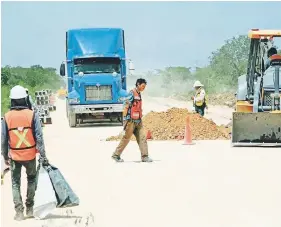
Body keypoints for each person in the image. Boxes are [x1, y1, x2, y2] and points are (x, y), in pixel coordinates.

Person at [1, 85, 49, 221]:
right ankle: (29, 208)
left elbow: (3, 140)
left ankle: (19, 213)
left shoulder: (7, 116)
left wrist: (5, 156)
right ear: (25, 99)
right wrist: (44, 155)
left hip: (15, 156)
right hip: (30, 155)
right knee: (32, 179)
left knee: (15, 183)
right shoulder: (32, 114)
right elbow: (39, 137)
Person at [111, 78, 153, 163]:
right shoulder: (132, 93)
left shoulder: (139, 94)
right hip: (130, 121)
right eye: (142, 86)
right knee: (126, 138)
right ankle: (116, 155)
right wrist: (125, 119)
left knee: (142, 138)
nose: (143, 88)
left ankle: (145, 157)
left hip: (138, 121)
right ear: (138, 84)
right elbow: (126, 105)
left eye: (144, 87)